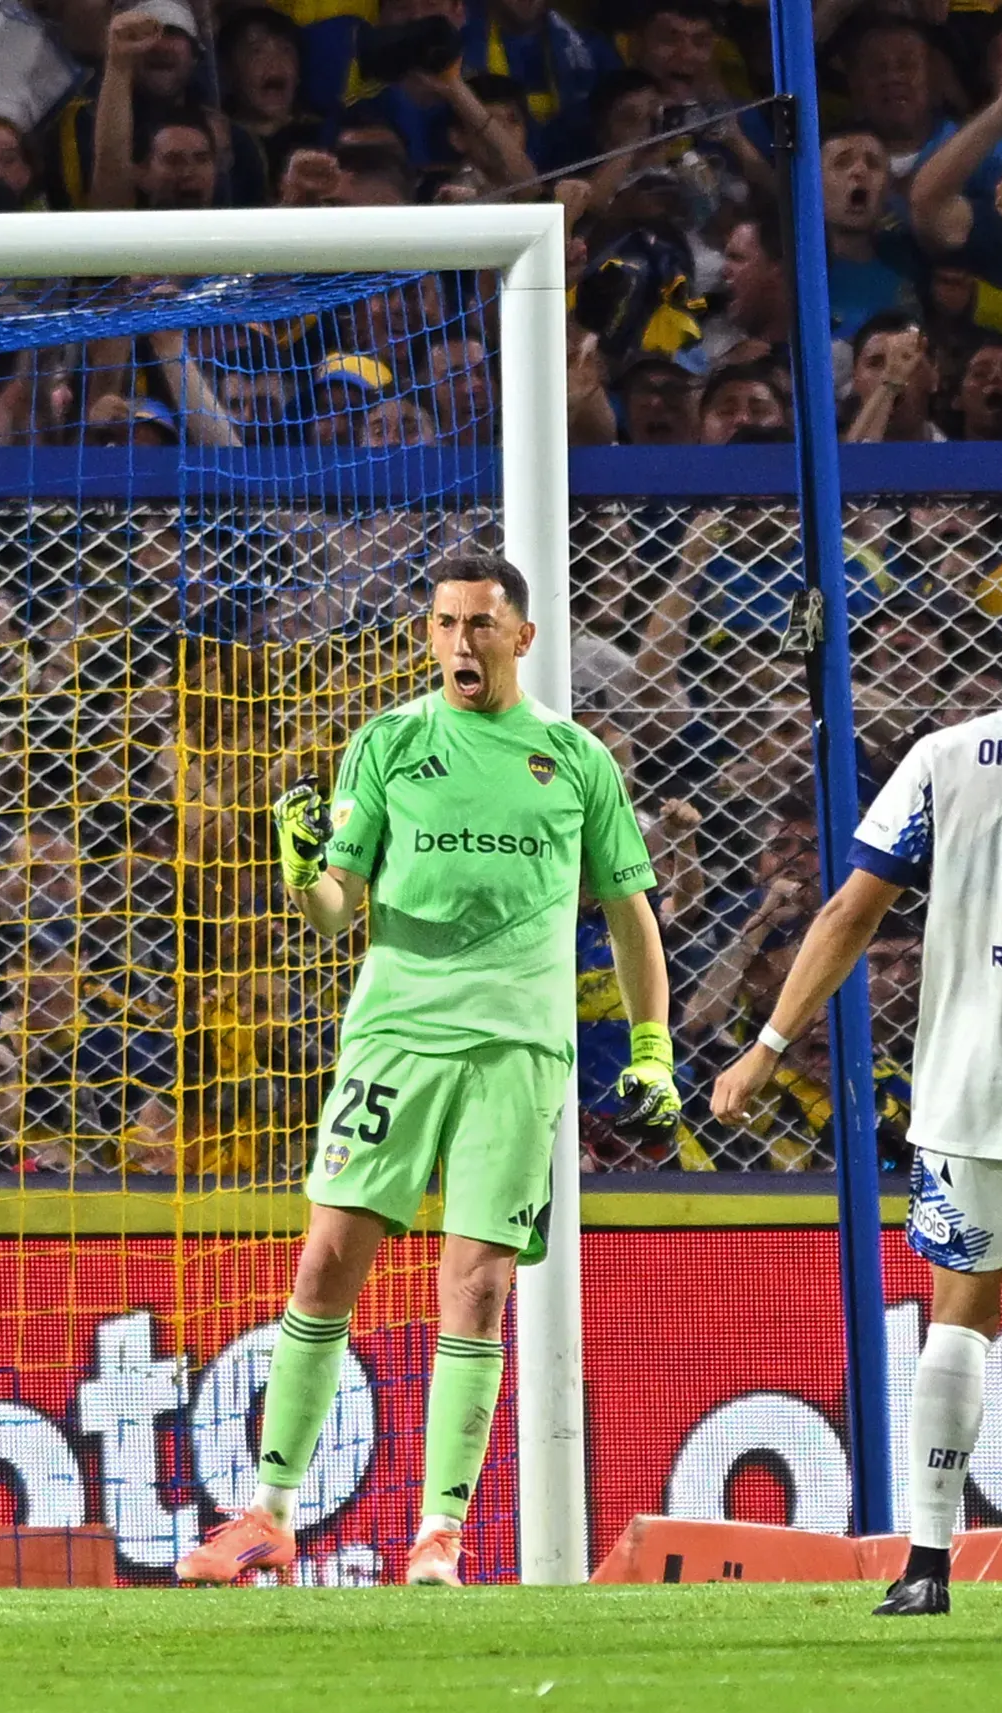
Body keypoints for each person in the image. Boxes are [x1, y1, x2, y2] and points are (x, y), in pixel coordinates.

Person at [175, 554, 678, 1588]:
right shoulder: (390, 743)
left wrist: (652, 1044)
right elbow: (336, 907)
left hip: (517, 1046)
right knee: (325, 1261)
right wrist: (298, 868)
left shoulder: (576, 760)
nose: (460, 642)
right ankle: (270, 1512)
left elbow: (630, 913)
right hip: (396, 1034)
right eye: (446, 623)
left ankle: (438, 1531)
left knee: (479, 1287)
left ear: (522, 637)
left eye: (480, 624)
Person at [710, 565, 1002, 1619]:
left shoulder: (944, 758)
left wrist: (768, 1041)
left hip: (967, 1074)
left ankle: (927, 1563)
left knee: (961, 1311)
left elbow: (851, 912)